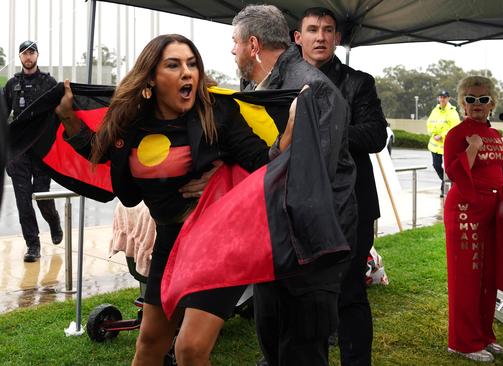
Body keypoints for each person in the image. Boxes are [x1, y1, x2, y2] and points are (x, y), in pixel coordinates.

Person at [55, 34, 287, 365]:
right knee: (149, 343)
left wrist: (277, 141)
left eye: (192, 64)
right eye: (173, 65)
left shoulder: (217, 112)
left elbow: (260, 161)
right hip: (168, 241)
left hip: (216, 243)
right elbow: (99, 151)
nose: (187, 72)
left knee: (190, 349)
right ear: (151, 77)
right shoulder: (131, 120)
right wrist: (67, 117)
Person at [231, 5, 357, 366]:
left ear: (252, 44)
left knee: (301, 346)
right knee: (272, 336)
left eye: (234, 43)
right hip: (274, 237)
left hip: (309, 245)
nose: (232, 51)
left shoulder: (312, 90)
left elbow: (307, 175)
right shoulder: (257, 85)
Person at [294, 7, 387, 366]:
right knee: (298, 292)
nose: (320, 37)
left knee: (349, 293)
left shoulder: (358, 82)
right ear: (297, 37)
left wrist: (317, 133)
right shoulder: (282, 82)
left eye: (328, 30)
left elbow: (375, 135)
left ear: (337, 38)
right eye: (313, 29)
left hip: (353, 203)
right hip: (297, 202)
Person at [443, 75, 503, 362]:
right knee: (467, 277)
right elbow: (454, 173)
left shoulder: (495, 134)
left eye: (483, 99)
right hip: (466, 210)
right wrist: (471, 148)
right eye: (470, 99)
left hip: (493, 209)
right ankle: (462, 341)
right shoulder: (457, 134)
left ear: (492, 104)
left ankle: (484, 335)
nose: (477, 104)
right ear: (462, 103)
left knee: (488, 275)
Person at [3, 40, 62, 262]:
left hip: (42, 149)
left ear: (37, 55)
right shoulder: (12, 85)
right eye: (24, 53)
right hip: (19, 151)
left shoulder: (49, 83)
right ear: (19, 57)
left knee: (42, 196)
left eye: (31, 52)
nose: (28, 57)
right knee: (23, 200)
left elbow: (62, 111)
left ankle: (53, 221)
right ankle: (33, 245)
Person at [427, 90, 461, 197]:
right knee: (436, 165)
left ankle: (445, 188)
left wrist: (442, 136)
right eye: (440, 97)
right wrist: (433, 134)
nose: (442, 99)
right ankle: (446, 182)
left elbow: (454, 129)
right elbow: (429, 124)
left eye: (444, 97)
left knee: (448, 169)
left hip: (448, 145)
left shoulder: (452, 112)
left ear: (448, 99)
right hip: (434, 144)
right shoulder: (435, 110)